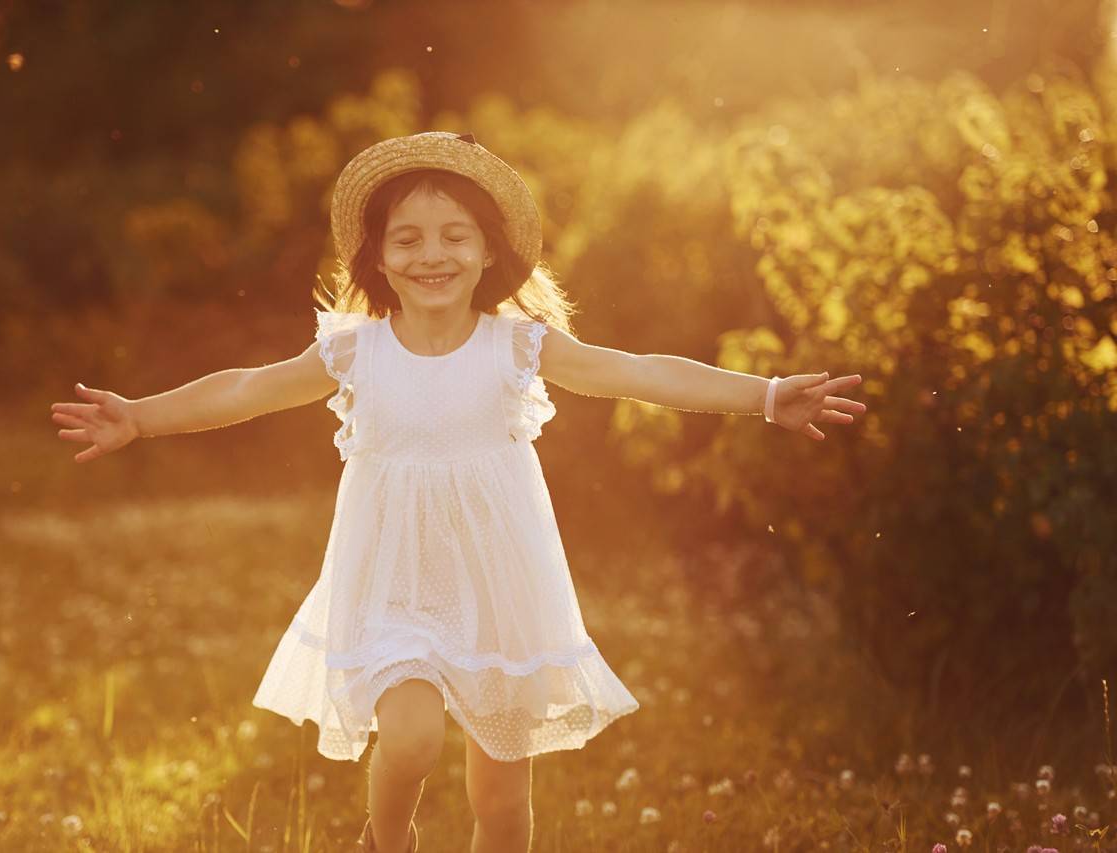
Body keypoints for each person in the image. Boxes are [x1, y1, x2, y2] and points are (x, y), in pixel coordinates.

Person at [50, 131, 867, 853]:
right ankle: (386, 841)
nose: (430, 254)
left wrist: (762, 395)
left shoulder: (518, 344)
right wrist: (140, 417)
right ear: (375, 257)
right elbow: (245, 388)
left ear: (487, 251)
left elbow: (640, 371)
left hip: (501, 583)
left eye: (453, 235)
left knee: (503, 803)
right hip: (393, 583)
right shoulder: (354, 351)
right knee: (406, 739)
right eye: (406, 238)